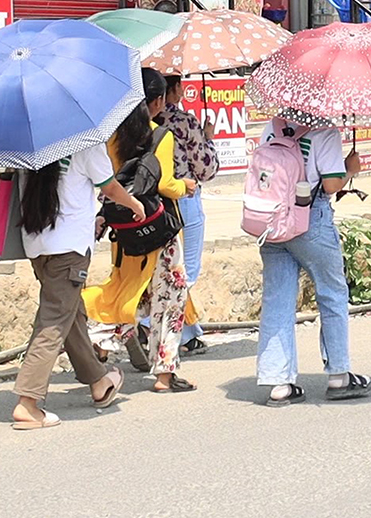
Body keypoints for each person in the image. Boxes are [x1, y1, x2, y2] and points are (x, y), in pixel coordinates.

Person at [12, 144, 145, 429]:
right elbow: (108, 187)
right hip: (68, 247)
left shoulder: (30, 144)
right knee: (53, 322)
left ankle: (98, 382)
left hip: (37, 245)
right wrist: (134, 204)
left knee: (70, 313)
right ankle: (28, 402)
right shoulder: (84, 143)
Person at [83, 68, 198, 394]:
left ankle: (102, 341)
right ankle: (164, 374)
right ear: (158, 101)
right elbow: (165, 185)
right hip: (159, 230)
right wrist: (186, 185)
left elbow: (110, 181)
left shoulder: (112, 136)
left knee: (128, 290)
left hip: (125, 231)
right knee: (169, 298)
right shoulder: (160, 135)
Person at [256, 120, 369, 406]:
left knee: (277, 299)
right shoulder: (325, 131)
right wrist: (350, 168)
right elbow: (331, 184)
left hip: (272, 221)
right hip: (310, 220)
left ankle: (279, 383)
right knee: (332, 293)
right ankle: (338, 376)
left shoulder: (272, 126)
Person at [159, 76, 219, 356]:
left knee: (163, 270)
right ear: (172, 90)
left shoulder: (139, 123)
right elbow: (206, 169)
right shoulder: (184, 122)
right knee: (186, 271)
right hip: (184, 199)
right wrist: (207, 138)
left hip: (150, 204)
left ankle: (188, 334)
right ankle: (148, 323)